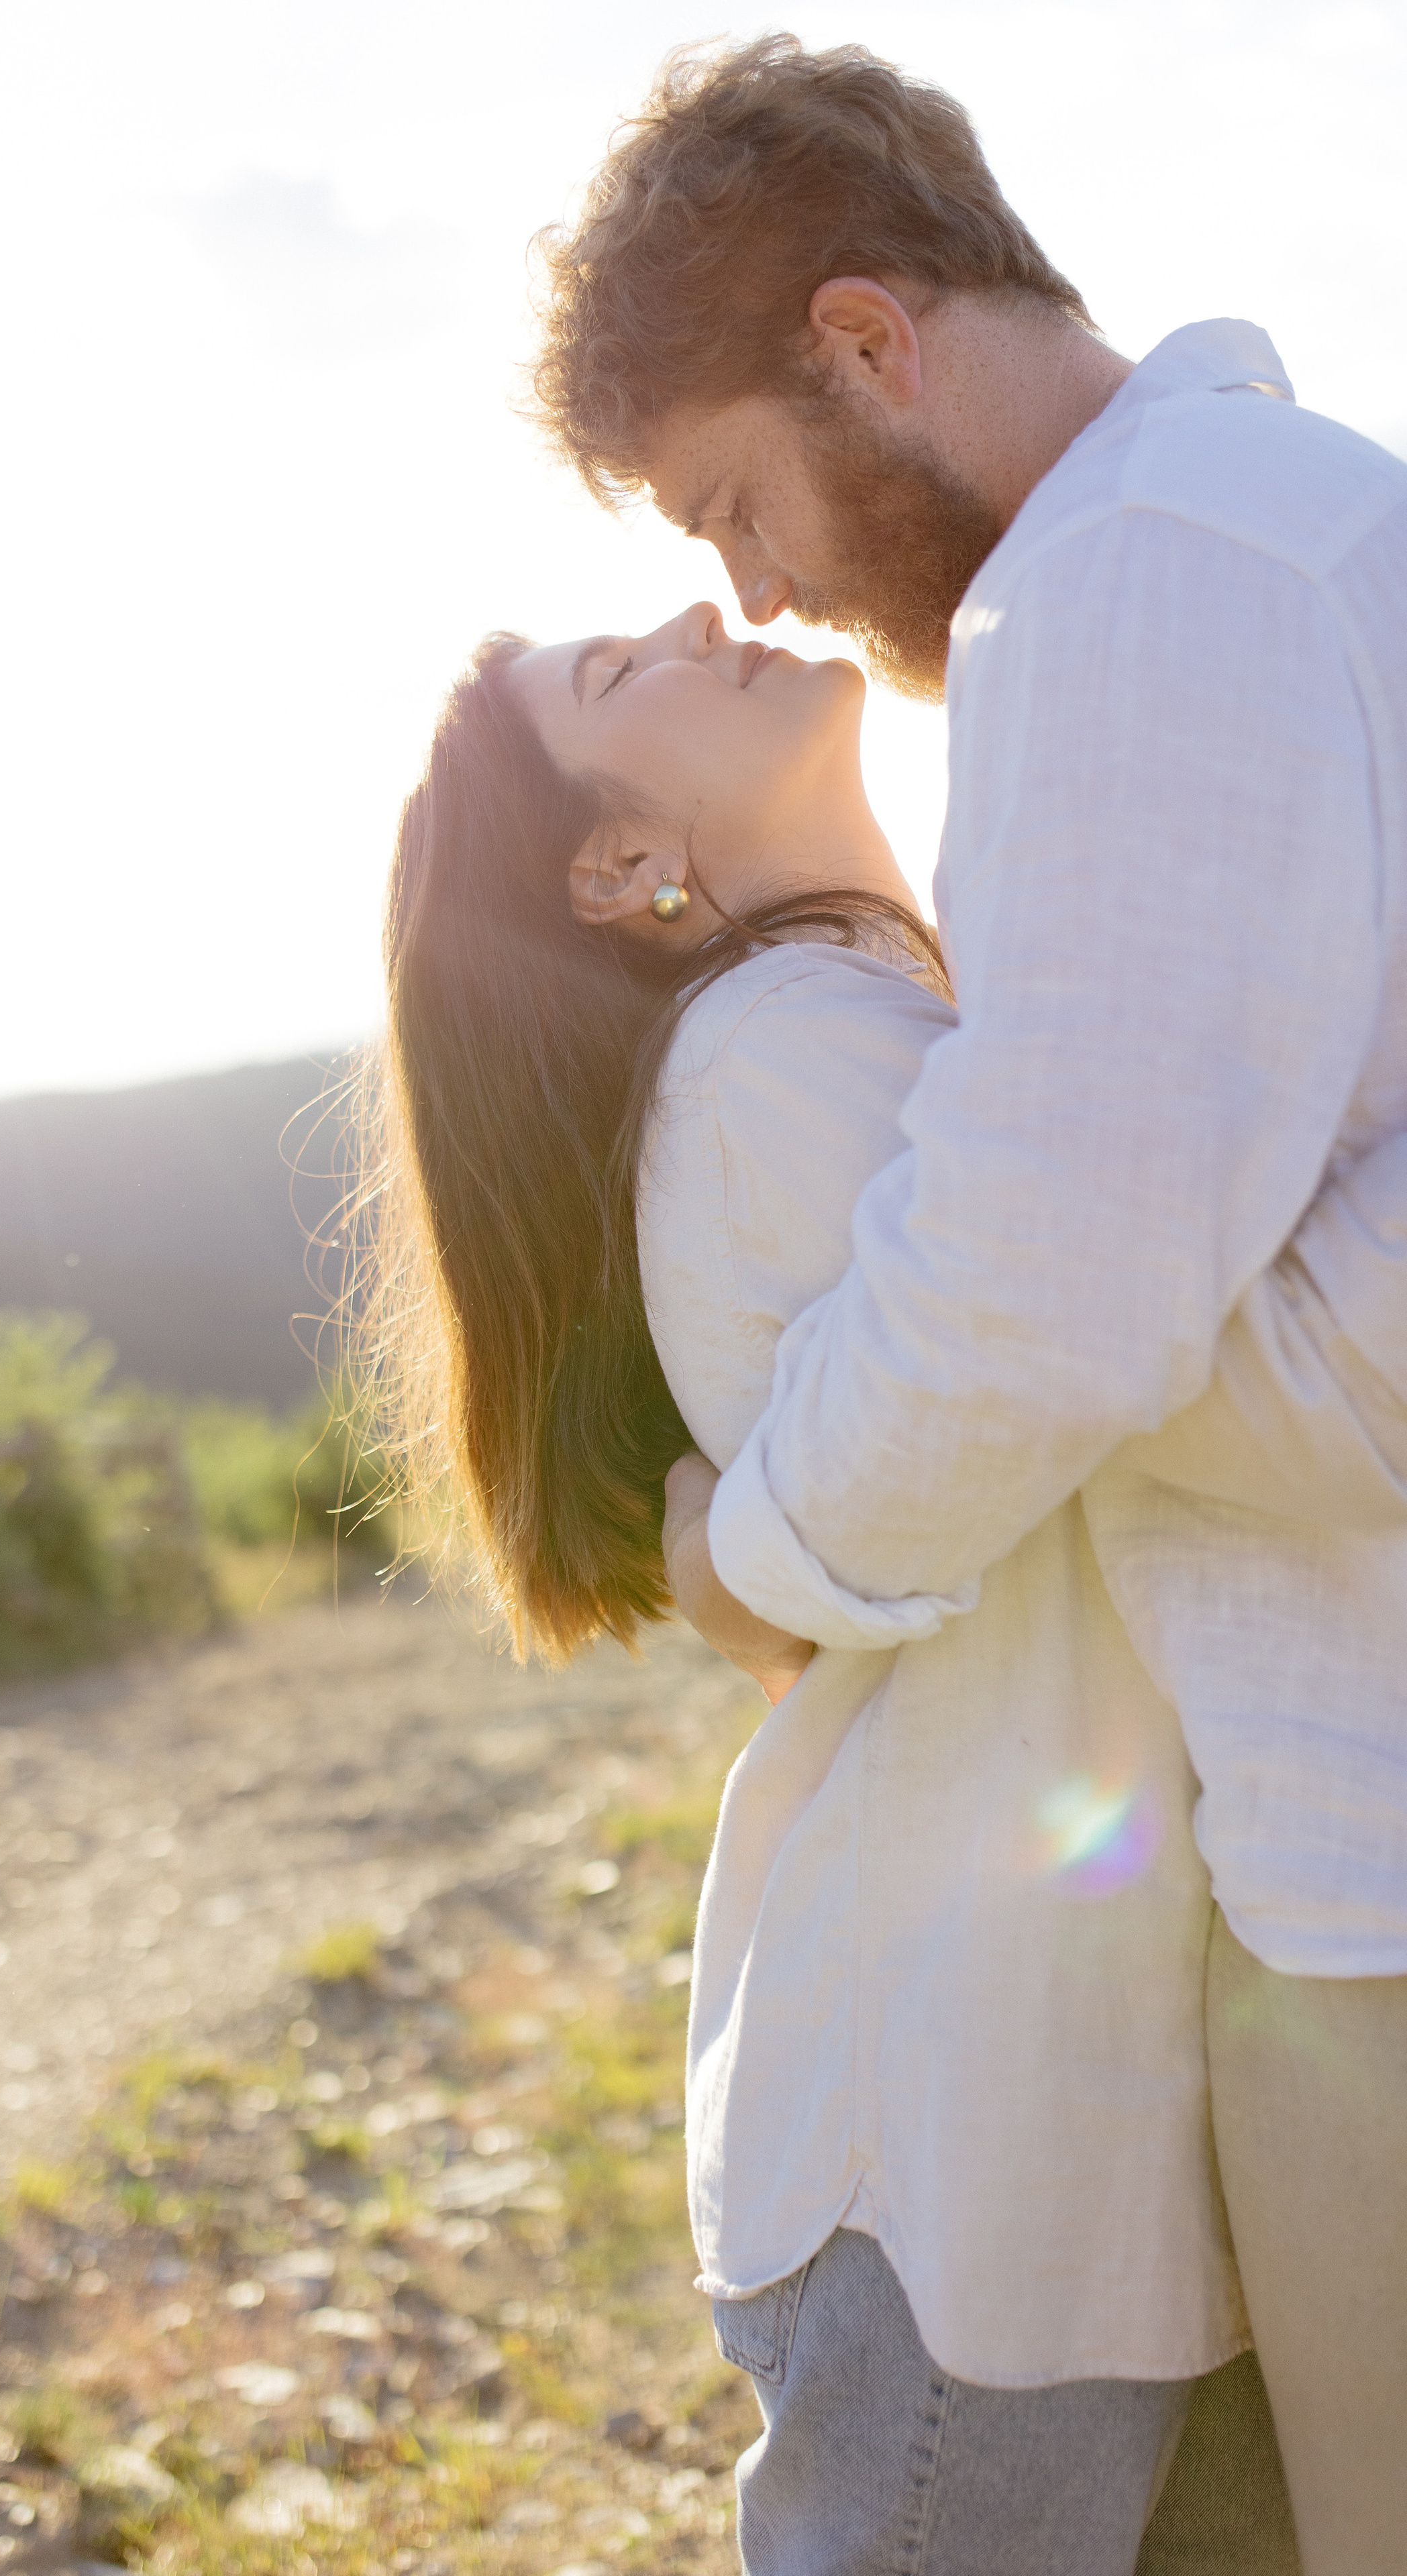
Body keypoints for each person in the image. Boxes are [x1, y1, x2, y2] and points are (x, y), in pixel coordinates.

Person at [529, 39, 1407, 2572]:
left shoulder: (1122, 591)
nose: (760, 588)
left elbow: (1042, 1290)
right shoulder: (1305, 514)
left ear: (868, 343)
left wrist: (756, 1555)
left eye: (736, 501)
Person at [368, 593, 1407, 2567]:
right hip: (981, 2141)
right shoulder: (790, 1056)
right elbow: (1111, 1337)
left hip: (1070, 2112)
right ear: (620, 865)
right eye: (617, 673)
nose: (694, 607)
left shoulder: (855, 1019)